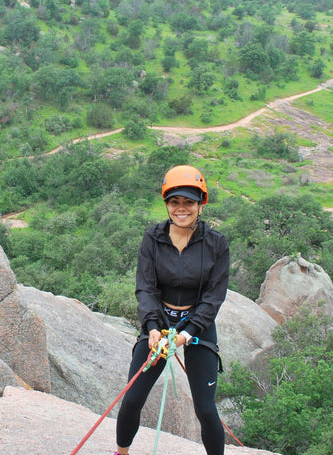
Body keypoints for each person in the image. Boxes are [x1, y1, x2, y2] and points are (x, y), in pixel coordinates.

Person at [114, 164, 230, 455]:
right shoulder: (153, 238)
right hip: (161, 320)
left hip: (197, 325)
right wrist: (152, 327)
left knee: (205, 409)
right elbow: (146, 287)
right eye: (174, 201)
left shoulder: (216, 244)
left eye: (189, 202)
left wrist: (187, 333)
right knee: (132, 398)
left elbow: (214, 297)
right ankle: (122, 453)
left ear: (200, 204)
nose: (181, 208)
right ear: (166, 203)